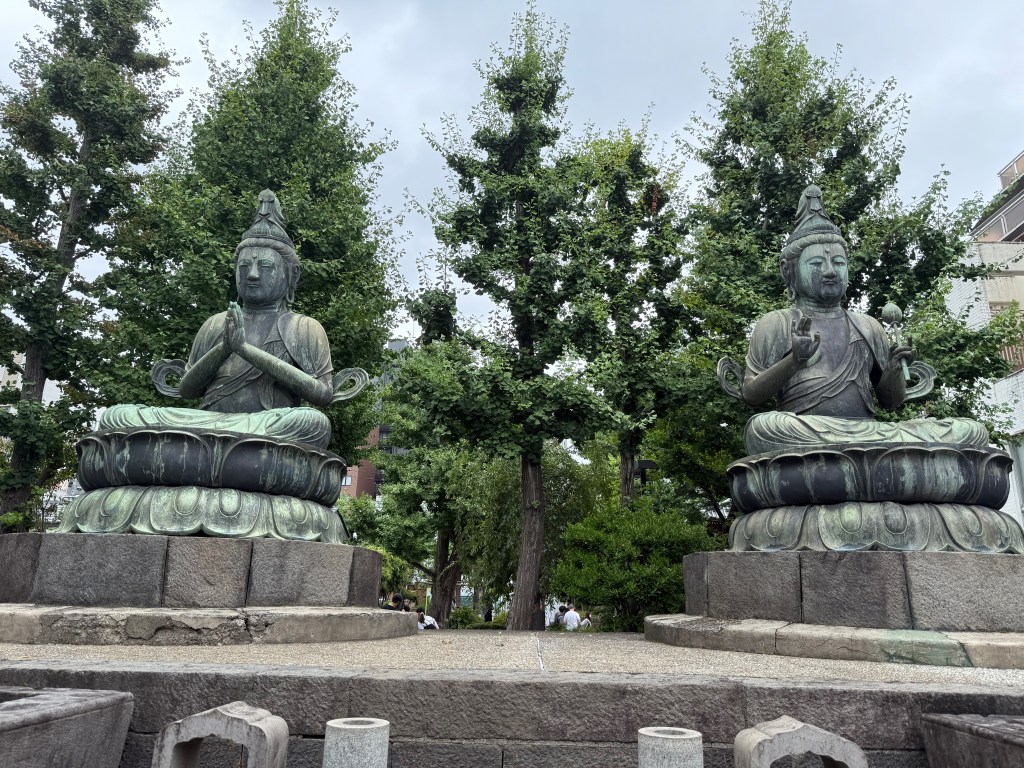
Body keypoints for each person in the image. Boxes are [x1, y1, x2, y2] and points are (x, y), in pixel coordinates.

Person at [736, 185, 987, 455]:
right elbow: (751, 394)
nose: (831, 271)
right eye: (817, 264)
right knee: (764, 427)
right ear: (790, 271)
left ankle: (865, 456)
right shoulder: (778, 322)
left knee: (970, 432)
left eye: (840, 264)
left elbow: (890, 401)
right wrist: (794, 361)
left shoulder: (868, 325)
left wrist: (892, 368)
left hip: (867, 431)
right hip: (805, 434)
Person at [100, 190, 355, 450]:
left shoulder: (303, 327)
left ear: (291, 276)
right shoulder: (217, 323)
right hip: (208, 422)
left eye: (265, 267)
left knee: (312, 422)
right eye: (244, 267)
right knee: (118, 416)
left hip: (268, 427)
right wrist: (224, 348)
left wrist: (244, 349)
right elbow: (188, 390)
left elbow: (324, 394)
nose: (253, 274)